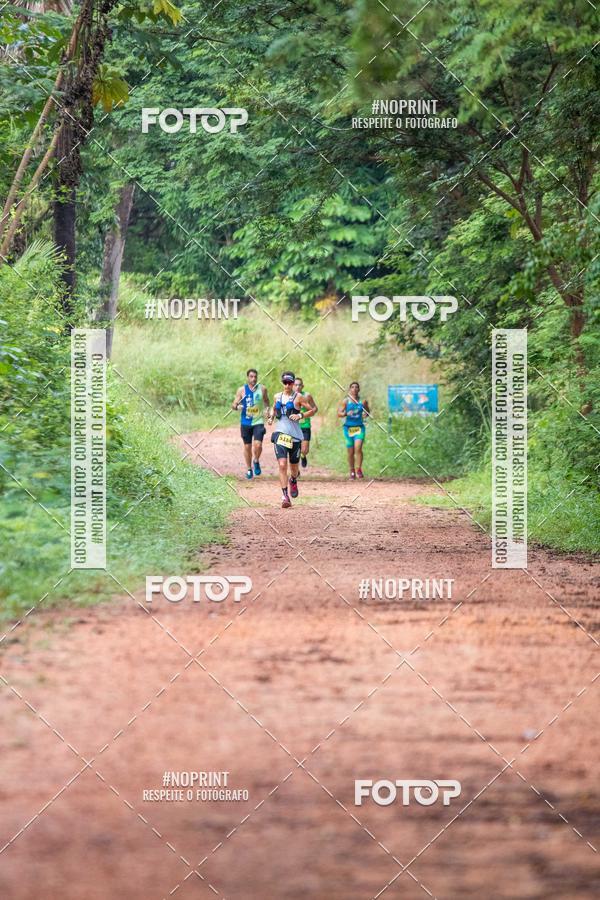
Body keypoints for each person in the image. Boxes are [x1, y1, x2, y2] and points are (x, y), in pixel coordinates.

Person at [268, 371, 305, 508]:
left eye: (290, 383)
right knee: (282, 464)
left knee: (294, 468)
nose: (287, 385)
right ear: (282, 383)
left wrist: (300, 415)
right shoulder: (277, 396)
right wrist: (271, 417)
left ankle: (293, 480)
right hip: (280, 434)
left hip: (295, 436)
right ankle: (285, 496)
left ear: (293, 383)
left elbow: (312, 410)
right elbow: (273, 409)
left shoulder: (299, 397)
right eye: (285, 382)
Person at [232, 368, 269, 479]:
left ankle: (256, 460)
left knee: (258, 445)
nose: (253, 379)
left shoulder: (262, 389)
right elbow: (234, 404)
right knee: (247, 447)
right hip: (245, 422)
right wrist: (237, 406)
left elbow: (266, 401)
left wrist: (267, 410)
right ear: (248, 378)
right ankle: (249, 469)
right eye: (251, 377)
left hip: (258, 421)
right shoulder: (241, 390)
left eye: (255, 377)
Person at [337, 381, 370, 479]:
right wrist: (346, 413)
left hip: (359, 428)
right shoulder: (346, 401)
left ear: (359, 389)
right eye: (352, 387)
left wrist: (366, 414)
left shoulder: (363, 401)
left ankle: (358, 469)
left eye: (356, 387)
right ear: (350, 389)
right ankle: (352, 470)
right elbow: (339, 413)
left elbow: (367, 411)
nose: (354, 389)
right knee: (350, 452)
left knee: (358, 448)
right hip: (348, 429)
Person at [293, 377, 318, 469]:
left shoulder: (307, 396)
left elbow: (315, 408)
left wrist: (308, 413)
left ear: (302, 386)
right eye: (296, 385)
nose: (298, 387)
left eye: (299, 385)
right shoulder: (289, 396)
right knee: (293, 450)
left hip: (305, 426)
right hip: (293, 427)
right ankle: (295, 469)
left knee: (304, 450)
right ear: (292, 386)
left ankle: (303, 456)